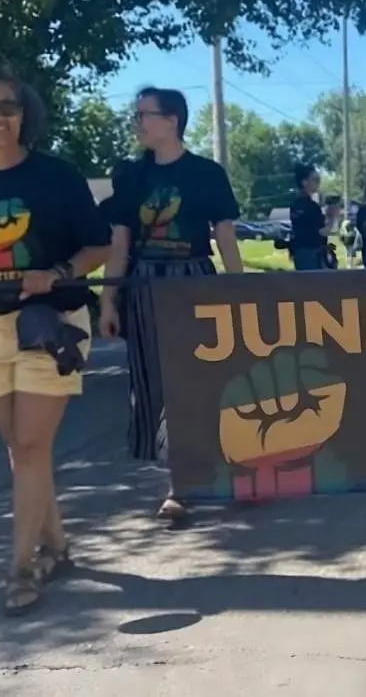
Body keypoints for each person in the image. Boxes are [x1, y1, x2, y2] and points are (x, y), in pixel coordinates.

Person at [0, 67, 111, 615]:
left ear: (25, 113)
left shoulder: (57, 176)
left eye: (8, 106)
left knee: (28, 446)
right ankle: (59, 545)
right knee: (23, 450)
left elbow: (98, 246)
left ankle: (21, 568)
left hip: (51, 323)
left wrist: (60, 271)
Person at [97, 87, 244, 525]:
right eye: (136, 113)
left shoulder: (206, 173)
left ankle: (202, 473)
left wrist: (241, 293)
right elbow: (118, 242)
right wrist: (107, 300)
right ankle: (178, 481)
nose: (138, 121)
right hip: (142, 284)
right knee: (151, 384)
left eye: (146, 114)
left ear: (172, 119)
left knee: (199, 381)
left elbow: (226, 238)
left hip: (193, 282)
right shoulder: (130, 176)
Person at [288, 164, 329, 270]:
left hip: (299, 252)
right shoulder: (312, 207)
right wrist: (333, 217)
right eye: (315, 179)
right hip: (313, 253)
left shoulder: (295, 205)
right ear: (304, 182)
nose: (318, 182)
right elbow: (321, 231)